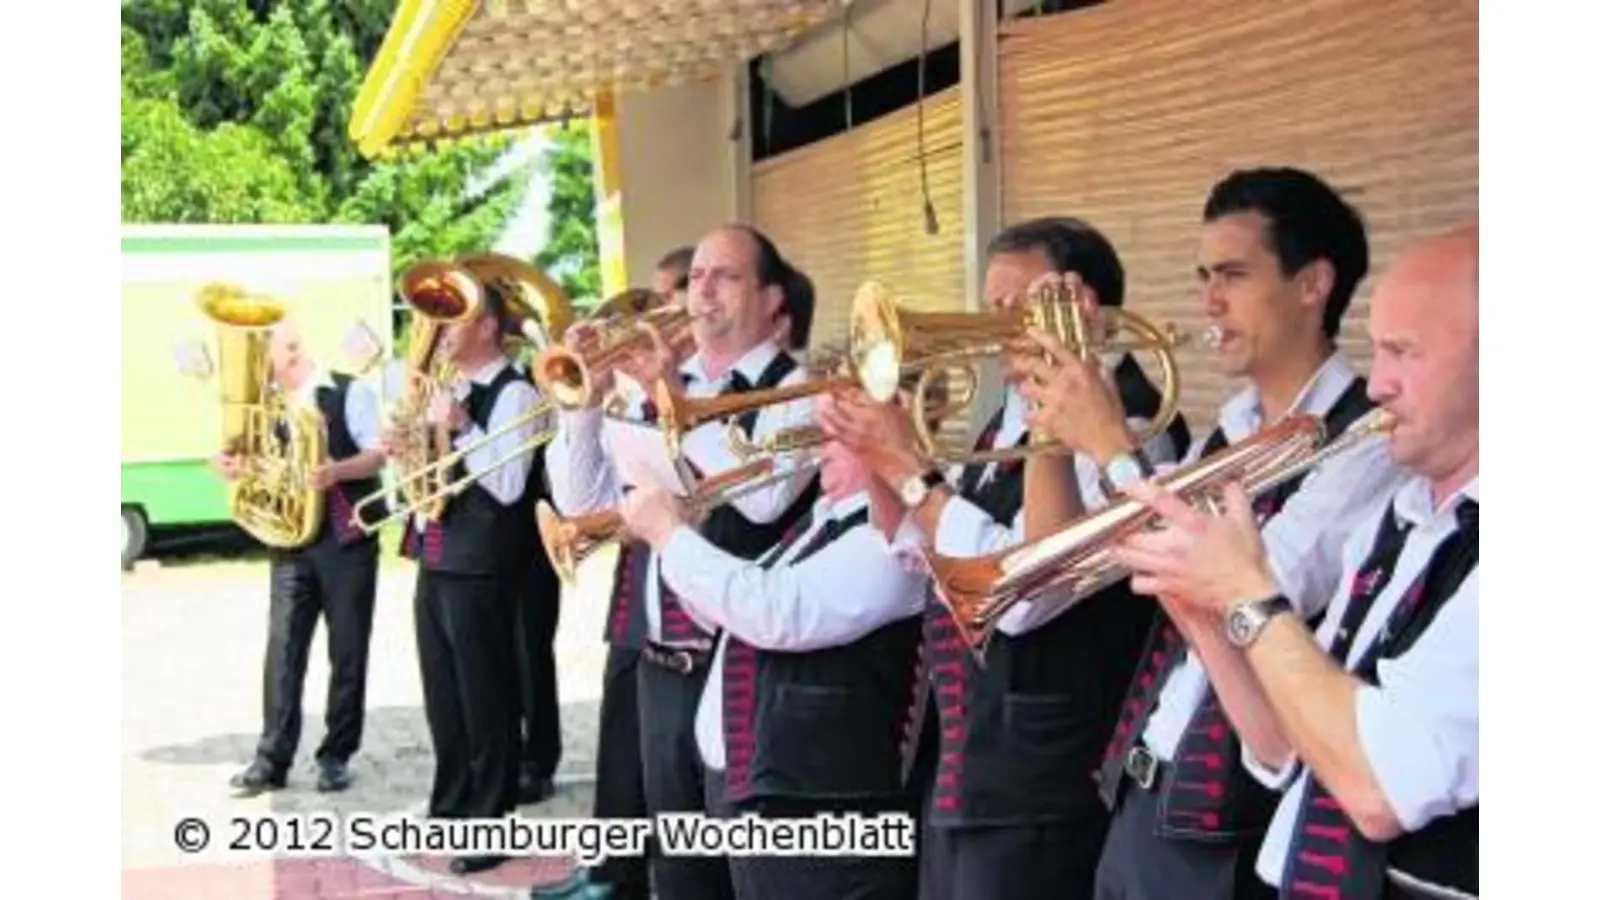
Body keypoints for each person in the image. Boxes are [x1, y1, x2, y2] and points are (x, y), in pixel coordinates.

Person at [1017, 167, 1410, 900]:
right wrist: (1054, 401)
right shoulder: (1226, 433)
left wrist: (1112, 446)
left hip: (1232, 828)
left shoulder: (1368, 440)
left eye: (1233, 275)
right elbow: (1065, 563)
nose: (1209, 302)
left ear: (1313, 284)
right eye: (1204, 277)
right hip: (1141, 794)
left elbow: (1255, 585)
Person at [820, 217, 1188, 900]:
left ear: (1084, 307)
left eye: (1018, 305)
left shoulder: (1134, 427)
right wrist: (878, 452)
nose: (994, 326)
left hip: (1042, 779)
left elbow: (1022, 593)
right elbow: (916, 546)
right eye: (992, 306)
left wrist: (910, 471)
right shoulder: (1005, 419)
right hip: (968, 758)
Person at [1108, 223, 1479, 898]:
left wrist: (1244, 592)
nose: (1379, 384)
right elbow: (1287, 746)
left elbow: (1378, 790)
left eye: (1404, 352)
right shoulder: (1399, 522)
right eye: (1377, 350)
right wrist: (1202, 618)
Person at [542, 224, 820, 900]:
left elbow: (763, 499)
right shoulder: (655, 385)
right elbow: (584, 504)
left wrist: (671, 399)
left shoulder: (800, 387)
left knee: (748, 871)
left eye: (726, 275)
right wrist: (584, 405)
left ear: (772, 300)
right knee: (681, 870)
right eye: (696, 276)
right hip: (663, 660)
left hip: (750, 664)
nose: (703, 290)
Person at [616, 405, 923, 900]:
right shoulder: (821, 523)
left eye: (839, 431)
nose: (820, 443)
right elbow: (729, 618)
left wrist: (670, 537)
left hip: (825, 815)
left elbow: (776, 613)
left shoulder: (888, 540)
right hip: (772, 801)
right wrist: (683, 536)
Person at [389, 288, 546, 875]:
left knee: (487, 697)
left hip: (483, 562)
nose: (441, 331)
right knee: (445, 695)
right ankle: (452, 800)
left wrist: (461, 425)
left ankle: (492, 816)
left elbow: (507, 486)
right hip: (436, 554)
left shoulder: (516, 393)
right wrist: (402, 451)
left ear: (486, 326)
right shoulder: (446, 386)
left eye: (453, 320)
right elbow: (424, 478)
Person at [214, 318, 386, 797]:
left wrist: (336, 471)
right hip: (289, 539)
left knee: (347, 652)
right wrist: (226, 464)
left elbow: (378, 455)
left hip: (346, 538)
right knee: (283, 650)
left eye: (261, 355)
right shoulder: (264, 405)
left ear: (289, 350)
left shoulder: (350, 392)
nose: (255, 368)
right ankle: (272, 758)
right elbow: (241, 459)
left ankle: (336, 755)